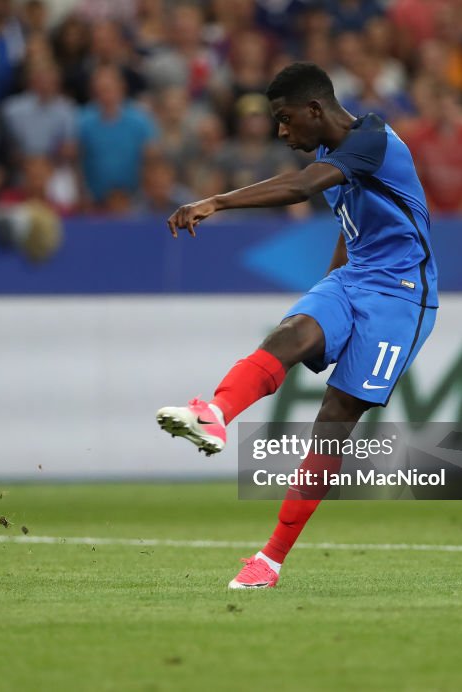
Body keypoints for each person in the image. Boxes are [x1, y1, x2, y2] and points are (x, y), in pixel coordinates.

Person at [157, 62, 438, 589]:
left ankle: (270, 560)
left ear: (315, 109)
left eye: (285, 120)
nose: (282, 133)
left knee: (336, 416)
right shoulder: (334, 155)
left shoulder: (373, 139)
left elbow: (303, 187)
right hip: (354, 278)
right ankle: (215, 412)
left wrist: (216, 199)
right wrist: (328, 292)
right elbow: (350, 226)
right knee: (290, 334)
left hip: (402, 296)